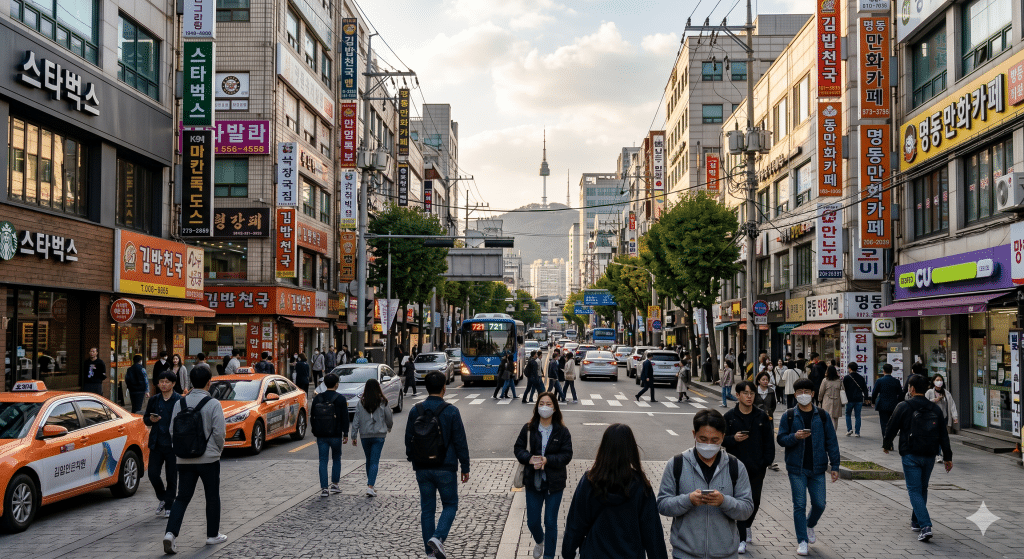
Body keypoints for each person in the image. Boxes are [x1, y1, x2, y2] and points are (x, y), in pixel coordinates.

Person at [563, 424, 667, 559]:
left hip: (595, 553)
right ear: (631, 450)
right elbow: (653, 532)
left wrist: (568, 552)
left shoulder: (590, 480)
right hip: (630, 554)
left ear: (604, 448)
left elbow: (575, 523)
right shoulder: (640, 485)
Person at [162, 364, 227, 554]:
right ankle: (212, 535)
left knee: (182, 498)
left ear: (191, 382)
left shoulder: (179, 403)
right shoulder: (213, 404)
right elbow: (219, 433)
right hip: (208, 459)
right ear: (209, 382)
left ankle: (170, 534)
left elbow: (173, 431)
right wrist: (216, 451)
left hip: (184, 459)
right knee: (212, 496)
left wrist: (181, 450)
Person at [405, 372, 470, 559]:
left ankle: (430, 553)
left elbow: (408, 439)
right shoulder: (451, 411)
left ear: (426, 387)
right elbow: (460, 441)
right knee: (450, 504)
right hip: (445, 466)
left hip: (422, 468)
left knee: (427, 509)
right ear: (444, 388)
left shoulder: (415, 410)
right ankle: (437, 537)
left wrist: (414, 459)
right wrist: (465, 466)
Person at [882, 374, 953, 542]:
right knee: (922, 488)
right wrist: (948, 457)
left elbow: (891, 426)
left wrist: (887, 444)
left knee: (914, 489)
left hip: (910, 453)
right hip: (929, 453)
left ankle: (925, 525)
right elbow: (944, 435)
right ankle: (916, 521)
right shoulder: (934, 408)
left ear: (912, 389)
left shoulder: (904, 406)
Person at [776, 378, 841, 556]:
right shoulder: (789, 415)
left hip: (818, 468)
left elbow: (831, 441)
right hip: (796, 468)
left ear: (813, 394)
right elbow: (781, 439)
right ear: (795, 394)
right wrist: (794, 437)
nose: (803, 395)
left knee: (820, 504)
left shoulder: (822, 415)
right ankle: (802, 540)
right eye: (799, 392)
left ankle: (809, 524)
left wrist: (835, 465)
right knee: (799, 505)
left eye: (806, 391)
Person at [514, 393, 573, 559]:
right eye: (542, 403)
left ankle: (549, 556)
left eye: (548, 403)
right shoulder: (528, 428)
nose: (545, 406)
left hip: (555, 483)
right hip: (533, 481)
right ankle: (540, 540)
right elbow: (518, 449)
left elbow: (567, 455)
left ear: (554, 407)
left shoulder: (562, 431)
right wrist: (530, 458)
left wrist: (548, 460)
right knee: (532, 521)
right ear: (537, 406)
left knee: (550, 521)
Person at [723, 384, 773, 553]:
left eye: (752, 393)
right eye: (745, 393)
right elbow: (720, 440)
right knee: (739, 502)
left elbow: (768, 440)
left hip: (756, 466)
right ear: (737, 395)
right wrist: (733, 439)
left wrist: (766, 461)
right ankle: (741, 537)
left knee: (755, 501)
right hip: (736, 467)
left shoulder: (761, 416)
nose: (749, 396)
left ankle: (747, 525)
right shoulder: (729, 417)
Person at [144, 371, 181, 519]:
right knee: (152, 474)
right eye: (161, 381)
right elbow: (146, 418)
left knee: (171, 477)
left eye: (166, 381)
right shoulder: (154, 400)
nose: (163, 384)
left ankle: (170, 506)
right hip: (157, 443)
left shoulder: (179, 400)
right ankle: (164, 498)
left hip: (173, 444)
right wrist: (150, 420)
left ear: (173, 384)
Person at [351, 378, 393, 496]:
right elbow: (388, 416)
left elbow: (356, 419)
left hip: (365, 435)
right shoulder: (383, 401)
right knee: (375, 460)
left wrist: (353, 435)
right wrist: (389, 427)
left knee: (369, 460)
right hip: (379, 434)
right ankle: (370, 486)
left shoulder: (361, 402)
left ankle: (370, 484)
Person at [311, 372, 350, 497]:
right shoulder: (341, 399)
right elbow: (345, 417)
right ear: (337, 385)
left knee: (323, 460)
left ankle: (324, 488)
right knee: (336, 458)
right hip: (336, 434)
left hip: (321, 434)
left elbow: (312, 417)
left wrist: (315, 430)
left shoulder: (318, 398)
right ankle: (335, 484)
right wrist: (346, 433)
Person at [924, 373, 958, 462]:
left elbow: (952, 405)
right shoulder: (930, 392)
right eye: (937, 380)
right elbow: (924, 403)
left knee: (941, 436)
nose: (939, 382)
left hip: (943, 418)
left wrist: (955, 416)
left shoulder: (946, 393)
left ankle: (938, 453)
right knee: (936, 436)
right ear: (933, 381)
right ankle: (937, 453)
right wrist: (934, 400)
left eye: (940, 380)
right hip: (932, 418)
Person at [872, 363, 904, 436]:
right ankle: (890, 440)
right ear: (891, 371)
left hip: (882, 405)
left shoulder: (879, 381)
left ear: (883, 371)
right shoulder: (896, 381)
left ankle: (886, 442)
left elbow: (875, 393)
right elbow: (900, 394)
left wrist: (873, 401)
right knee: (892, 423)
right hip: (893, 404)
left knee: (884, 424)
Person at [842, 362, 870, 437]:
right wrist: (866, 398)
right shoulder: (861, 377)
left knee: (848, 414)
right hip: (859, 399)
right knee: (858, 416)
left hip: (849, 399)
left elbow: (843, 388)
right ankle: (857, 432)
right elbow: (865, 389)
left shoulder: (847, 377)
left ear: (850, 369)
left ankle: (849, 429)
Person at [818, 366, 844, 431]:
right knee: (835, 418)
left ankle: (828, 430)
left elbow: (821, 391)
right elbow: (843, 390)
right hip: (837, 400)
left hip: (827, 400)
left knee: (827, 416)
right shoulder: (839, 380)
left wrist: (819, 399)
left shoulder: (825, 380)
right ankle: (834, 431)